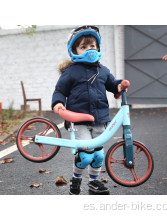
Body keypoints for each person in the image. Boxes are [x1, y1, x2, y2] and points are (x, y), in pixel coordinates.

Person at [51, 26, 125, 195]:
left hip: (99, 119)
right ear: (74, 50)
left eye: (92, 46)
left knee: (98, 156)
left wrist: (119, 86)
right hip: (79, 122)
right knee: (86, 156)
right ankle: (76, 180)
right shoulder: (70, 72)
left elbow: (112, 84)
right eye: (83, 47)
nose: (89, 50)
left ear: (97, 48)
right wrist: (58, 103)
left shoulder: (103, 70)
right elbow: (60, 91)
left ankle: (94, 182)